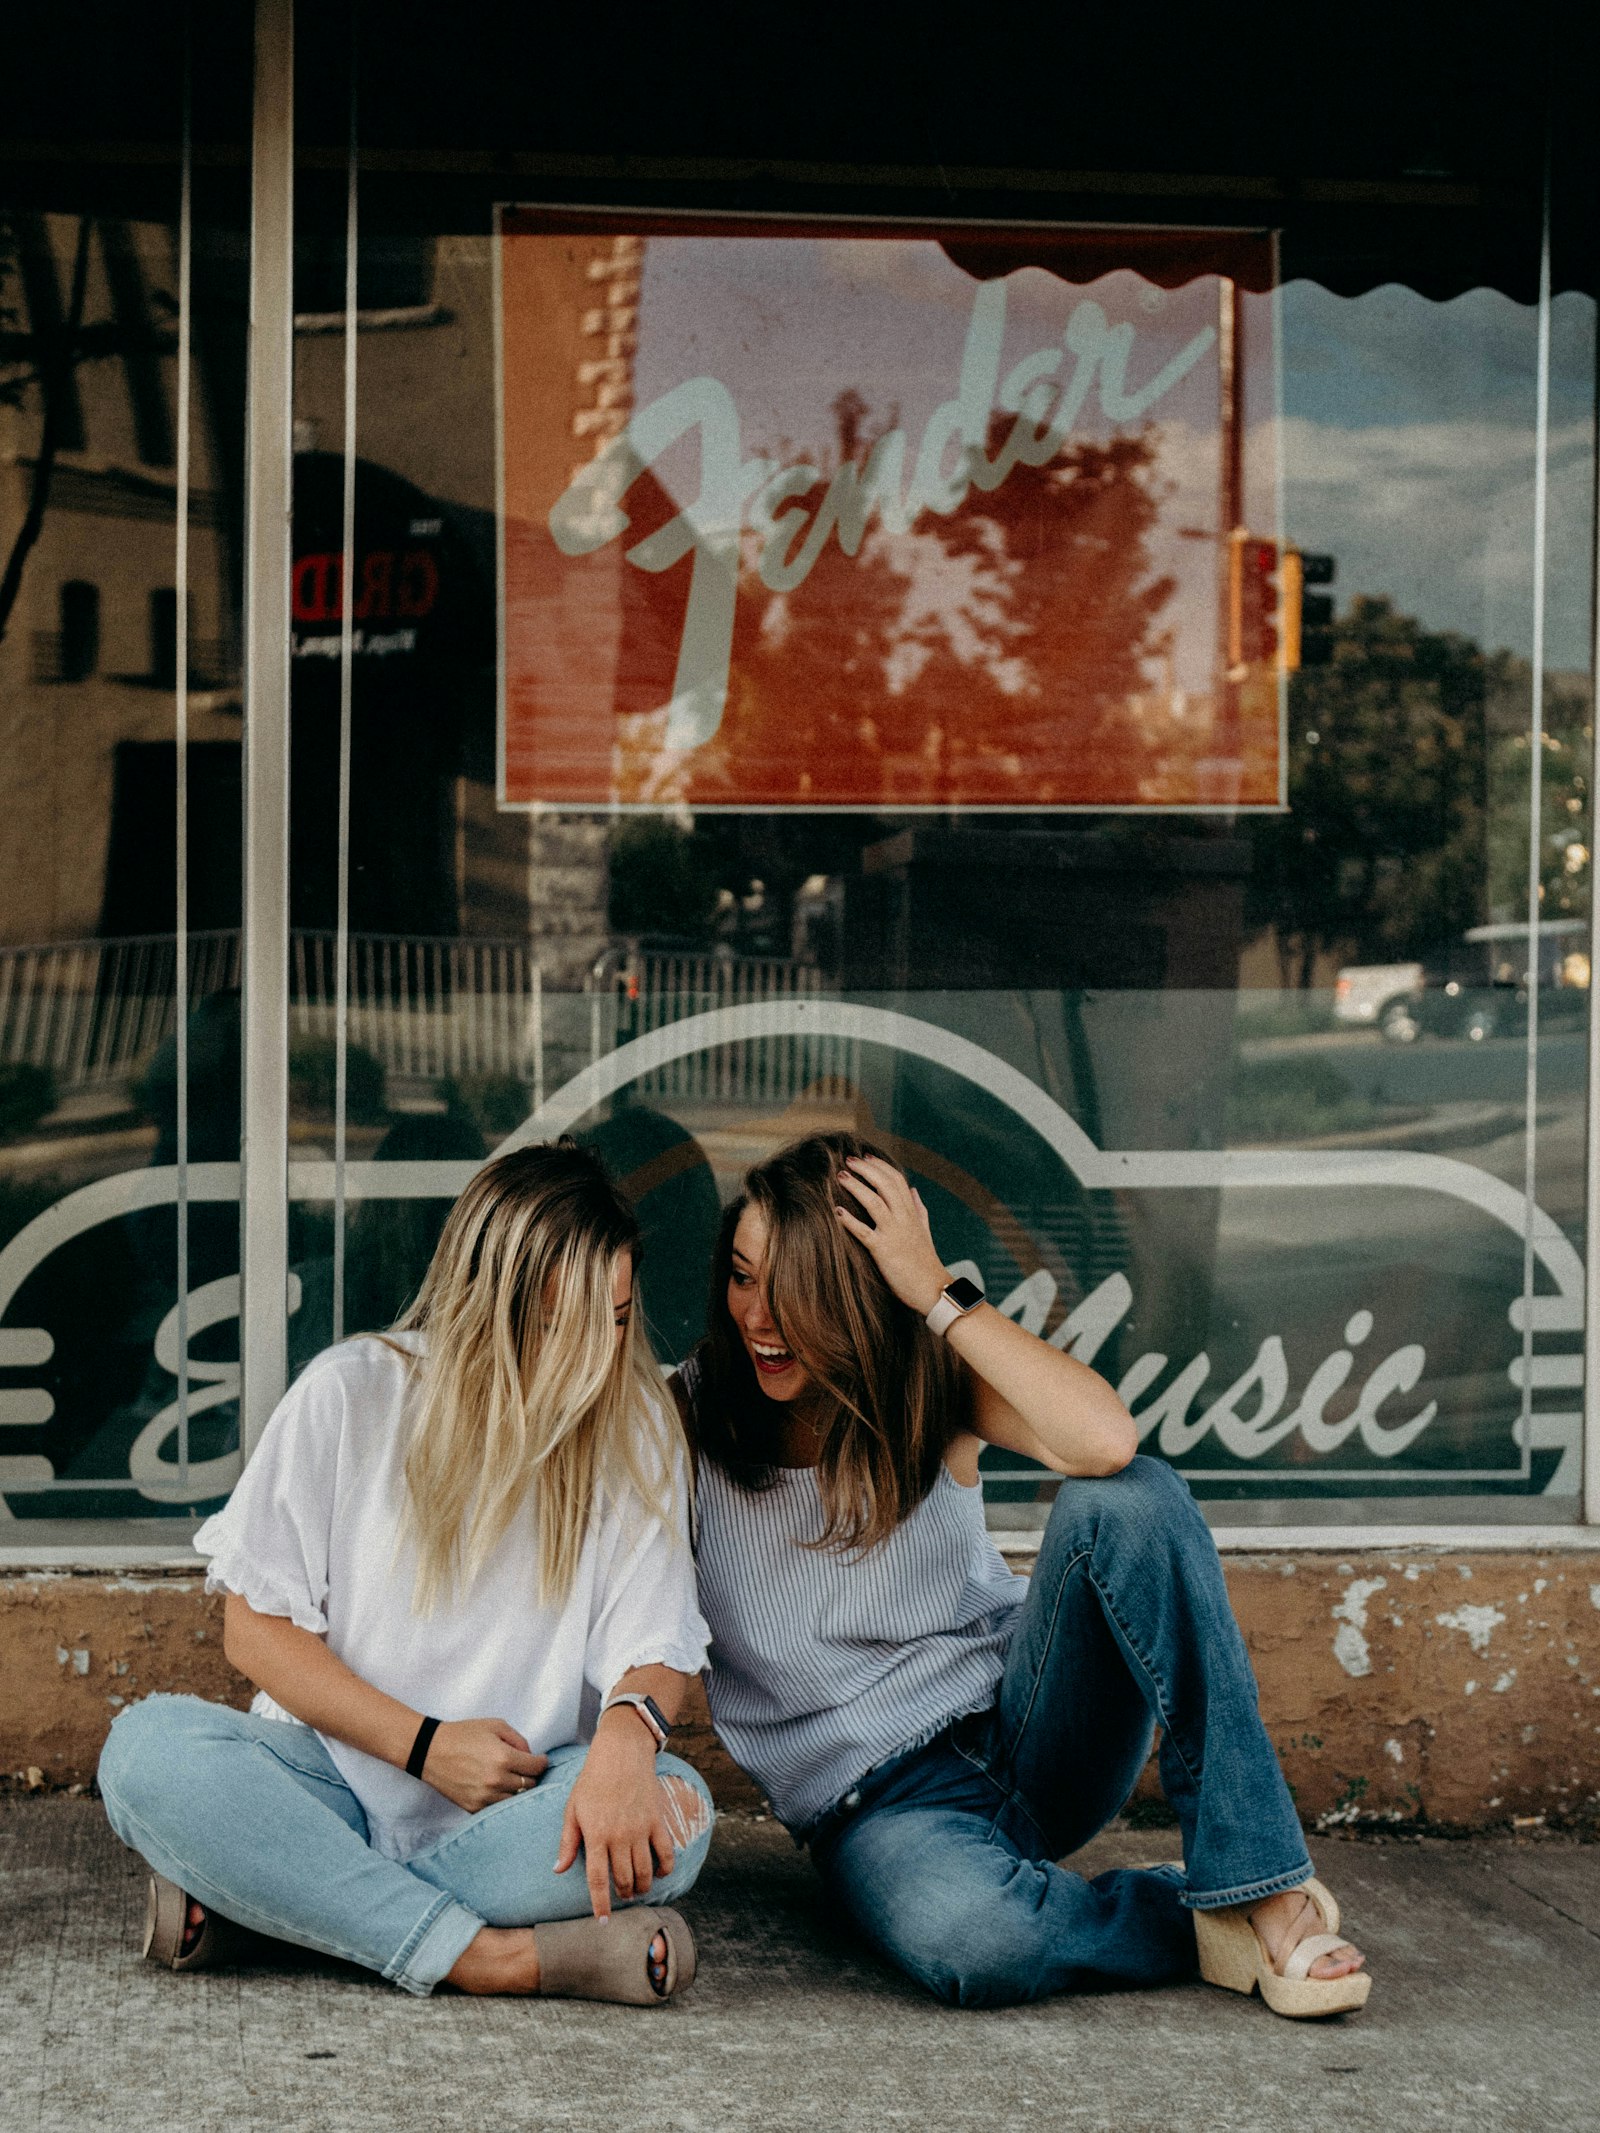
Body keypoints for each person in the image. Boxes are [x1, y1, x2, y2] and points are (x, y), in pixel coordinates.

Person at [674, 1130, 1369, 2017]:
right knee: (976, 1938)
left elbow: (1107, 1443)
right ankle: (1194, 1914)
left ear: (853, 1292)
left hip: (1032, 1726)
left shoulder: (925, 1377)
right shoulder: (686, 1424)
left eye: (792, 1290)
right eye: (742, 1276)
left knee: (1129, 1499)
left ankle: (1264, 1883)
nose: (759, 1317)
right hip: (882, 1813)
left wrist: (932, 1289)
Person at [99, 1140, 715, 2004]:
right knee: (142, 1755)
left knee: (682, 1811)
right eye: (560, 1328)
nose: (595, 1360)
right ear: (484, 1305)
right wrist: (425, 1748)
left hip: (523, 1809)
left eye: (613, 1322)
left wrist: (623, 1746)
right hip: (328, 1785)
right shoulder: (350, 1394)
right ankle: (492, 1957)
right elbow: (255, 1628)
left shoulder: (634, 1423)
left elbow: (659, 1647)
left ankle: (286, 1902)